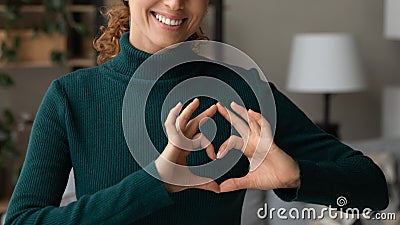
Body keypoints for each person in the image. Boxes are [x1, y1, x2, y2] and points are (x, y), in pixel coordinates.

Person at [5, 0, 388, 224]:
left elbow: (373, 191)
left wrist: (295, 177)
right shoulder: (71, 97)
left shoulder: (243, 92)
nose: (174, 3)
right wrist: (156, 182)